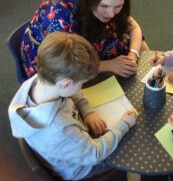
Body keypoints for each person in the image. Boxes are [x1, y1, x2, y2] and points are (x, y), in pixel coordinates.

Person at [9, 32, 138, 180]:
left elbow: (70, 93)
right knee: (132, 147)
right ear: (66, 83)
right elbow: (95, 154)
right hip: (82, 168)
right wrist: (123, 125)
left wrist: (87, 111)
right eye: (81, 83)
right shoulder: (59, 130)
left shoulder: (41, 81)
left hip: (74, 145)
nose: (82, 86)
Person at [21, 0, 149, 79]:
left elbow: (134, 28)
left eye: (118, 6)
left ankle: (150, 73)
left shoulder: (105, 2)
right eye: (104, 6)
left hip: (85, 38)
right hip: (56, 61)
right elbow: (66, 66)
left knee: (135, 44)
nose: (111, 14)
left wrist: (133, 54)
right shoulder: (59, 13)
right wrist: (109, 65)